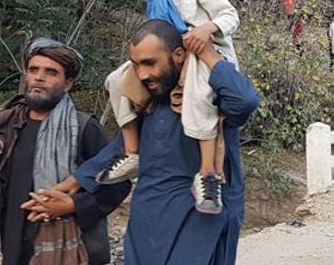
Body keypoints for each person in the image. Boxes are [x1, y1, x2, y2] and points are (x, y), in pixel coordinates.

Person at [73, 20, 260, 265]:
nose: (142, 74)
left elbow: (244, 101)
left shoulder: (212, 100)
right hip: (148, 219)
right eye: (136, 65)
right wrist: (73, 183)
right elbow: (121, 150)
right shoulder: (149, 104)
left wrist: (205, 52)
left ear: (179, 55)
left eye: (150, 63)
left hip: (202, 219)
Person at [92, 0, 241, 214]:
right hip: (172, 58)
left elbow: (230, 16)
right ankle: (132, 151)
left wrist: (205, 29)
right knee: (117, 81)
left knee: (199, 98)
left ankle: (207, 174)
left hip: (203, 55)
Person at [0, 39, 131, 265]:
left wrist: (73, 205)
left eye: (51, 72)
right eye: (33, 70)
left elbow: (119, 183)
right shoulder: (9, 127)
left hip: (73, 251)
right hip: (16, 249)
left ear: (68, 83)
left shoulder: (85, 128)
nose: (39, 77)